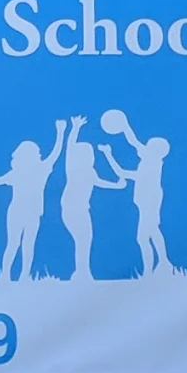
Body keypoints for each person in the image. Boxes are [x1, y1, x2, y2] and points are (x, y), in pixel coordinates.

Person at [0, 120, 67, 281]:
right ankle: (12, 274)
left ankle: (16, 274)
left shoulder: (38, 170)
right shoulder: (27, 171)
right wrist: (61, 132)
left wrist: (61, 132)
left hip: (25, 212)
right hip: (21, 212)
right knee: (22, 244)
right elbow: (55, 154)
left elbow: (55, 154)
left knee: (18, 244)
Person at [99, 109, 170, 277]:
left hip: (148, 204)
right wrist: (125, 126)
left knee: (145, 236)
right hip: (148, 202)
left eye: (148, 145)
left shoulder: (150, 166)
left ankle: (155, 268)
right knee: (151, 232)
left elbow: (122, 173)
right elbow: (134, 141)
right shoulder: (151, 160)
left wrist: (108, 155)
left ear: (153, 151)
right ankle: (161, 264)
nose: (143, 146)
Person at [60, 115, 125, 280]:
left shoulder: (88, 172)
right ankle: (82, 271)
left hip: (78, 209)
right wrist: (74, 128)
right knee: (83, 239)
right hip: (73, 209)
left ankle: (82, 271)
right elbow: (69, 148)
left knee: (84, 240)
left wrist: (118, 184)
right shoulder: (73, 169)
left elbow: (102, 183)